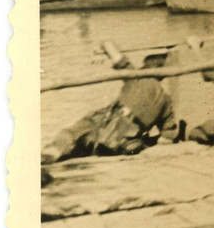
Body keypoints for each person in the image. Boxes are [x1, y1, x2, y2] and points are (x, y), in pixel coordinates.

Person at [43, 53, 180, 165]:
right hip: (123, 141)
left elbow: (113, 51)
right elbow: (166, 139)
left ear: (145, 68)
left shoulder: (136, 77)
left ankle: (53, 152)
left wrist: (104, 44)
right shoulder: (166, 101)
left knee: (73, 133)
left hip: (104, 125)